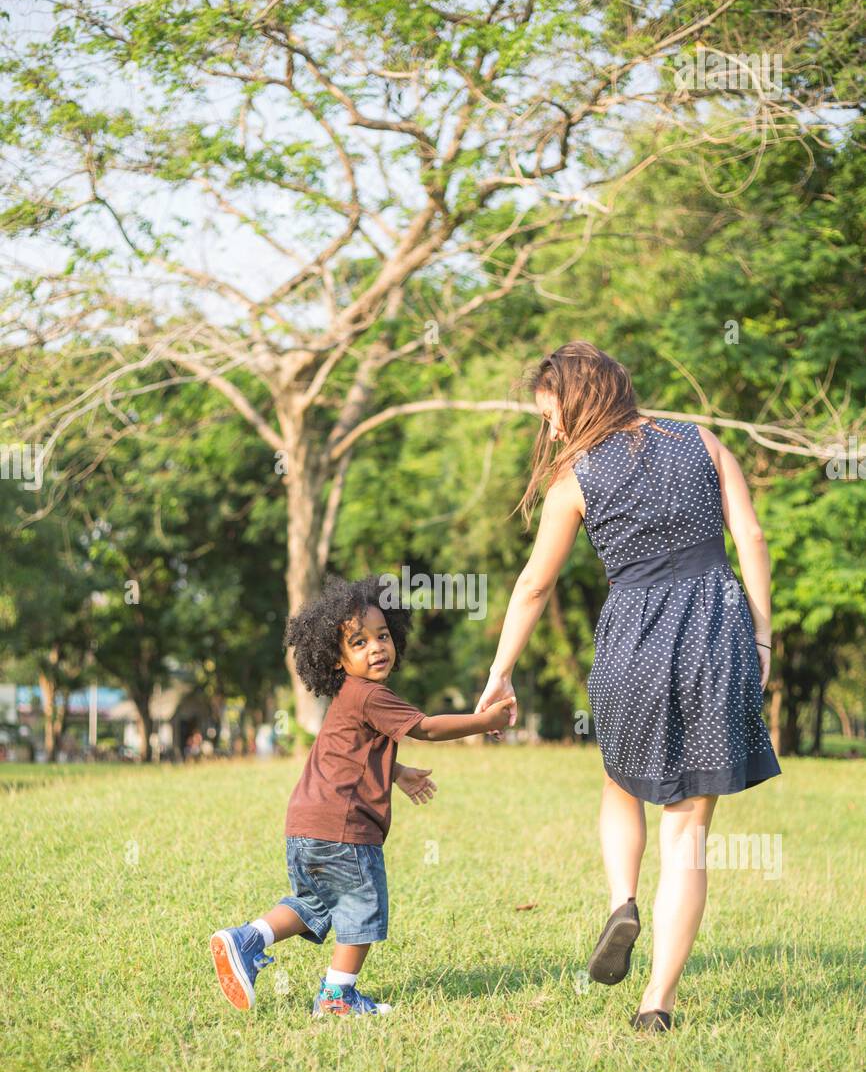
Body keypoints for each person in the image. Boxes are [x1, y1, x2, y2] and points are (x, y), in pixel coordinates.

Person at [474, 341, 781, 1033]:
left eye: (552, 416)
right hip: (716, 630)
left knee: (620, 781)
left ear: (579, 403)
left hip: (633, 642)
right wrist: (762, 636)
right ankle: (656, 1006)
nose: (550, 431)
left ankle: (622, 901)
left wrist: (499, 674)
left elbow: (534, 584)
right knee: (691, 830)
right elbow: (753, 538)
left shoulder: (576, 478)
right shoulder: (701, 441)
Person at [210, 573, 515, 1018]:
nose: (376, 648)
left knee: (314, 904)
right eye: (359, 642)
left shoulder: (348, 700)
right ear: (335, 659)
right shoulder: (370, 695)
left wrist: (399, 771)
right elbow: (426, 728)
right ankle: (337, 997)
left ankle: (247, 938)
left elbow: (349, 760)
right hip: (345, 831)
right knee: (362, 906)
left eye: (383, 636)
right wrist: (483, 721)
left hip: (305, 828)